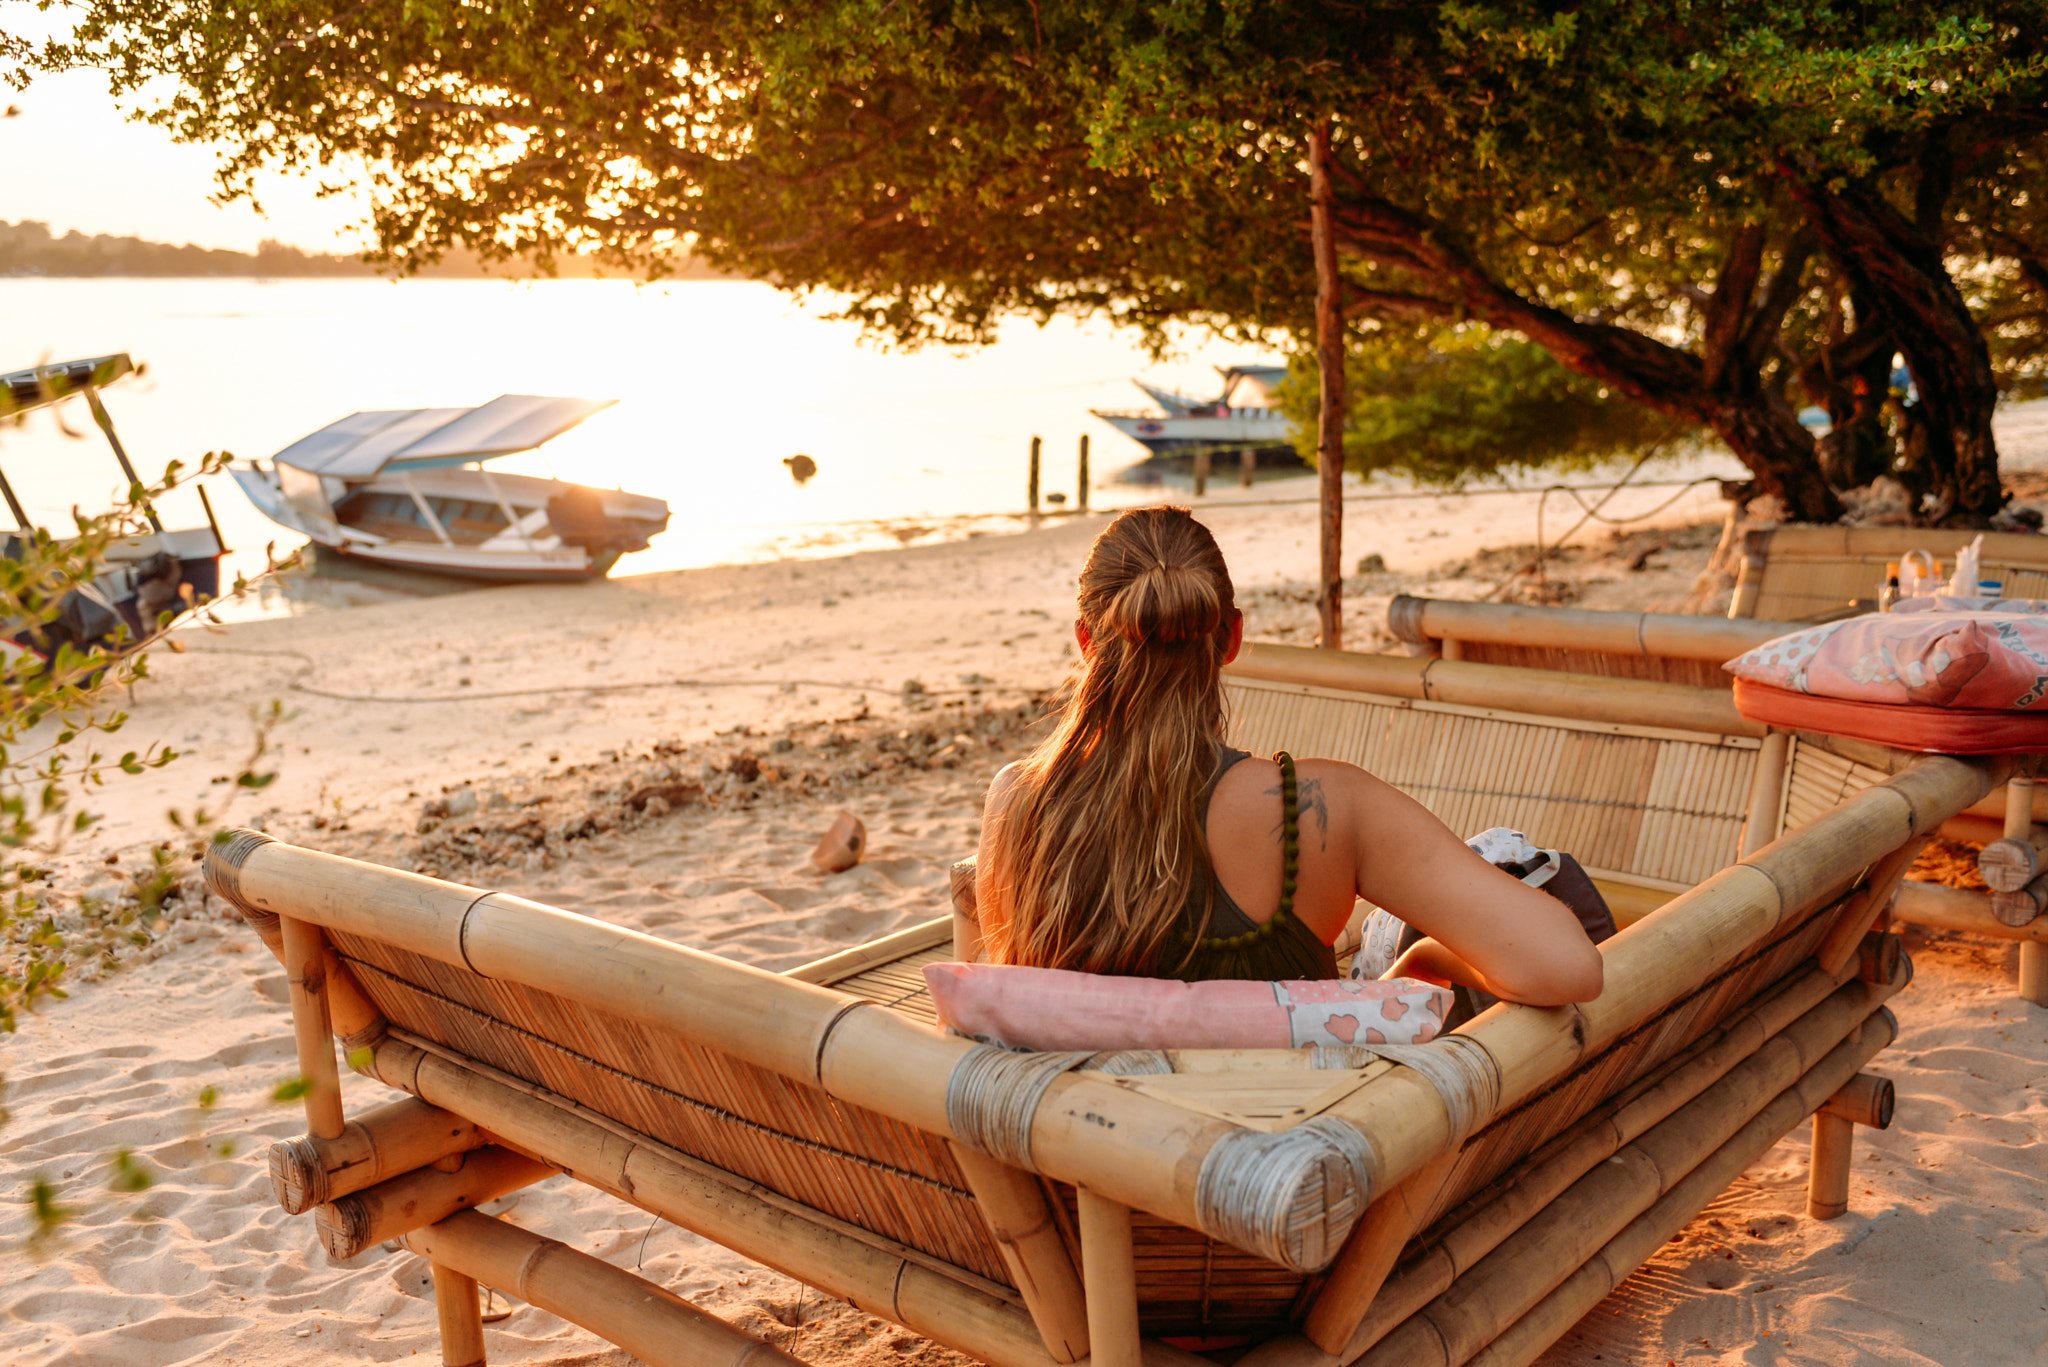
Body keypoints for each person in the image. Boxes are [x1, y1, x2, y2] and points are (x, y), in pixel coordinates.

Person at [975, 507, 1603, 1007]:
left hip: (1097, 1153)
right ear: (1233, 637)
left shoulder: (1017, 801)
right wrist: (1422, 961)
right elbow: (1567, 969)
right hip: (1293, 1150)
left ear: (1086, 642)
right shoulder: (1319, 810)